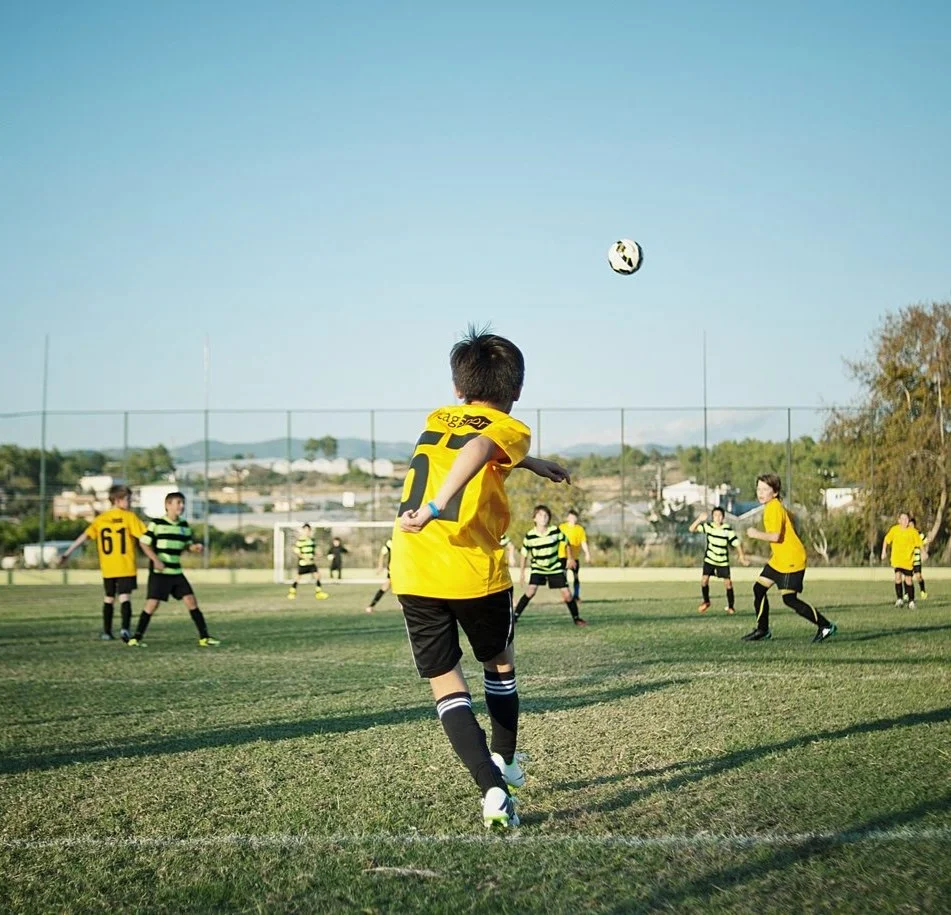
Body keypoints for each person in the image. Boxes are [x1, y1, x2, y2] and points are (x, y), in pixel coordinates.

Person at [391, 326, 571, 830]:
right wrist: (438, 502)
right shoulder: (511, 425)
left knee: (446, 684)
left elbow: (471, 443)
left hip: (412, 563)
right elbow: (479, 448)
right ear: (516, 391)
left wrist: (533, 464)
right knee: (499, 665)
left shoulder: (438, 416)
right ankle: (507, 762)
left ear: (457, 387)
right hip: (470, 568)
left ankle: (492, 792)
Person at [57, 484, 163, 641]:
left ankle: (107, 632)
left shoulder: (101, 519)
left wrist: (67, 553)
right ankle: (125, 630)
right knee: (125, 597)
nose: (130, 503)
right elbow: (145, 536)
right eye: (128, 499)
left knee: (109, 598)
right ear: (119, 500)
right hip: (125, 566)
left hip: (108, 568)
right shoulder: (129, 517)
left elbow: (84, 537)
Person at [743, 473, 837, 643]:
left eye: (765, 489)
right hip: (779, 559)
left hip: (791, 559)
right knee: (759, 589)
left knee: (789, 599)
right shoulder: (770, 506)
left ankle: (826, 626)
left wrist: (755, 534)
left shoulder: (775, 507)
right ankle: (762, 630)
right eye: (758, 488)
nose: (761, 492)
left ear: (775, 492)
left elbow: (776, 536)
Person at [127, 492, 220, 647]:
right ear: (167, 505)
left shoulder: (183, 525)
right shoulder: (156, 523)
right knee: (152, 604)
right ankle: (136, 638)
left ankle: (204, 637)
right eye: (178, 502)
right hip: (160, 573)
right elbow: (144, 543)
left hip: (176, 572)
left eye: (182, 503)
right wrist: (156, 560)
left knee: (191, 601)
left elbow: (186, 544)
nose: (181, 506)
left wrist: (193, 547)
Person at [515, 506, 585, 626]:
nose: (543, 518)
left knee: (567, 594)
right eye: (540, 515)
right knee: (530, 591)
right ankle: (515, 617)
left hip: (555, 567)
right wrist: (522, 573)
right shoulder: (530, 536)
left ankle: (576, 618)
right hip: (538, 568)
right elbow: (524, 555)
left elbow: (566, 542)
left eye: (546, 515)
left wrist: (570, 558)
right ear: (534, 518)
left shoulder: (554, 531)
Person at [688, 506, 749, 614]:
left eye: (720, 515)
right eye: (715, 515)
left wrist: (742, 557)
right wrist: (699, 520)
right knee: (704, 580)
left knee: (728, 583)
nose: (717, 518)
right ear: (712, 517)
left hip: (722, 561)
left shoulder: (727, 529)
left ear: (723, 517)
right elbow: (691, 529)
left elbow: (737, 543)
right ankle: (706, 602)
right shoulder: (709, 527)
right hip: (710, 559)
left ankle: (731, 607)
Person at [881, 511, 920, 608]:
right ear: (899, 520)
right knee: (897, 577)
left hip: (907, 560)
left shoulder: (913, 532)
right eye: (903, 519)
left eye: (906, 519)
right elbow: (886, 540)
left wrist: (924, 552)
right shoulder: (894, 530)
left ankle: (911, 601)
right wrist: (883, 551)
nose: (905, 521)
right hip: (897, 559)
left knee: (908, 580)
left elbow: (919, 543)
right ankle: (899, 599)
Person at [287, 523, 329, 600]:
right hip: (303, 563)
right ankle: (292, 592)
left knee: (317, 575)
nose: (307, 532)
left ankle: (318, 593)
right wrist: (303, 557)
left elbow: (315, 550)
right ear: (303, 531)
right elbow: (297, 551)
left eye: (308, 530)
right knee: (297, 577)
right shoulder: (300, 540)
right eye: (305, 530)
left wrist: (319, 554)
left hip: (311, 562)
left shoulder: (311, 540)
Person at [559, 509, 591, 601]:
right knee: (563, 577)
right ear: (567, 518)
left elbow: (583, 542)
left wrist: (587, 553)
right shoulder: (562, 527)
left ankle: (576, 595)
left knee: (576, 576)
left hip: (574, 557)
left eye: (574, 517)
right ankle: (566, 596)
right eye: (571, 516)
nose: (572, 518)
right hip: (562, 556)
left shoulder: (579, 529)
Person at [365, 538, 392, 613]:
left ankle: (370, 606)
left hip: (404, 568)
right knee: (386, 586)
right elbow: (382, 553)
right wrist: (380, 566)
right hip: (394, 569)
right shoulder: (391, 541)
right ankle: (370, 606)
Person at [908, 515, 929, 600]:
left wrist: (924, 552)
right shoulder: (906, 534)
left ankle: (922, 591)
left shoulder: (918, 534)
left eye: (912, 525)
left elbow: (926, 541)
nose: (910, 527)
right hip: (908, 559)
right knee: (908, 577)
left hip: (916, 559)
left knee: (918, 576)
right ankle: (907, 593)